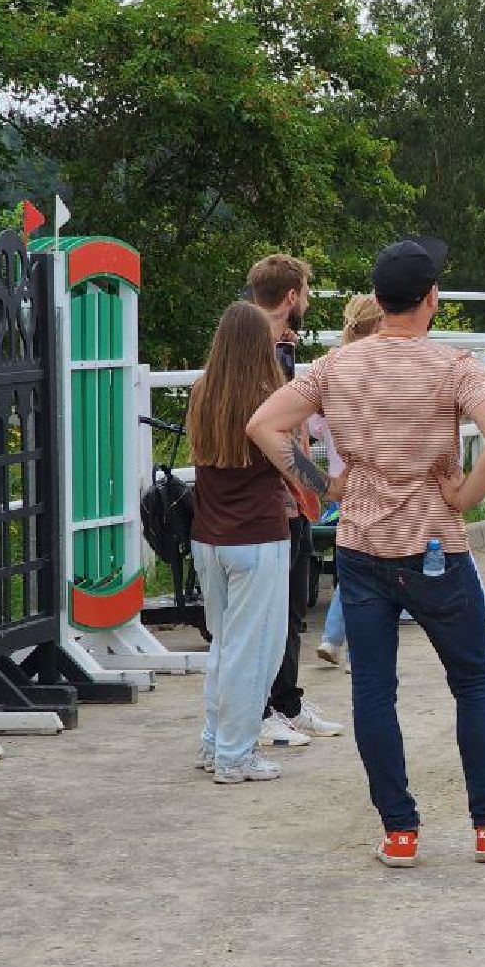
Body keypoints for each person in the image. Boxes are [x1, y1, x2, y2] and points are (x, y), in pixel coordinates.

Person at [247, 237, 485, 868]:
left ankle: (399, 833)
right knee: (473, 684)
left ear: (379, 300)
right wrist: (463, 495)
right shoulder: (455, 366)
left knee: (375, 692)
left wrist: (319, 482)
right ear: (431, 298)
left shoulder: (337, 366)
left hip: (361, 547)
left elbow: (264, 425)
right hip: (435, 545)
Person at [188, 303, 297, 784]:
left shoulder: (202, 392)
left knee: (224, 647)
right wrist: (334, 485)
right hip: (257, 533)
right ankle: (236, 753)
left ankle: (215, 741)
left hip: (208, 535)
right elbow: (295, 463)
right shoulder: (267, 397)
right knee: (256, 652)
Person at [244, 253, 345, 746]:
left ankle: (286, 701)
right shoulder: (254, 353)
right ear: (291, 297)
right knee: (268, 613)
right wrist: (317, 483)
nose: (305, 301)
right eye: (304, 292)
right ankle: (262, 709)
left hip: (287, 501)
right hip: (269, 502)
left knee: (290, 609)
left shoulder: (275, 350)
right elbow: (271, 433)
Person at [315, 293, 385, 672]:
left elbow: (302, 427)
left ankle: (334, 638)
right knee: (373, 568)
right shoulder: (377, 369)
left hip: (342, 486)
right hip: (375, 482)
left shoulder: (328, 368)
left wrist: (320, 481)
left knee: (356, 566)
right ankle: (355, 646)